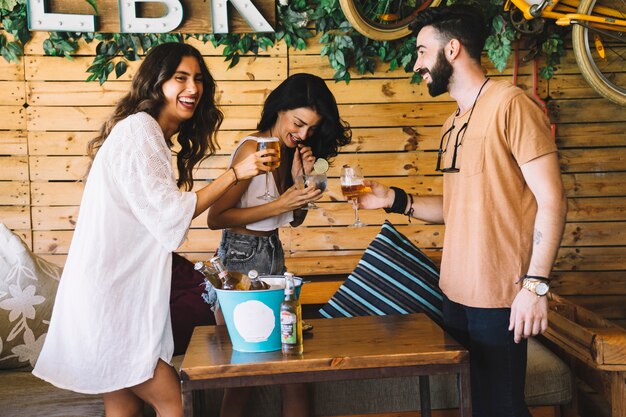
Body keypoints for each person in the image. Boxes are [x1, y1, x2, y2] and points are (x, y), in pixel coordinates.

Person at [32, 42, 275, 417]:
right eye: (180, 78)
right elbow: (169, 217)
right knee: (174, 404)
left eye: (198, 79)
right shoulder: (141, 131)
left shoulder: (146, 134)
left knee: (123, 410)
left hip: (110, 298)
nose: (192, 88)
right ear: (157, 82)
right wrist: (236, 173)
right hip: (110, 304)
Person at [357, 5, 567, 417]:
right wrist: (393, 200)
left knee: (501, 409)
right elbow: (458, 208)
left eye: (421, 51)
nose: (416, 64)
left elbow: (553, 199)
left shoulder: (512, 105)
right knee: (473, 407)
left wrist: (535, 286)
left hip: (501, 296)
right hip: (454, 294)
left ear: (451, 49)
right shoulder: (451, 123)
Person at [207, 73, 352, 417]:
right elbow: (217, 217)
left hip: (272, 256)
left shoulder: (293, 153)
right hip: (238, 261)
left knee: (293, 368)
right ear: (280, 109)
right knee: (245, 376)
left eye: (311, 129)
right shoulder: (252, 148)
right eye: (299, 123)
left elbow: (293, 219)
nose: (303, 135)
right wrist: (282, 204)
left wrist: (302, 185)